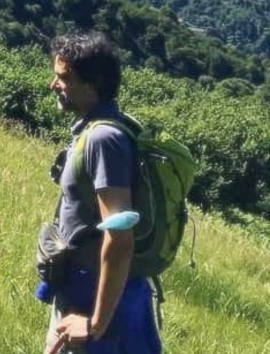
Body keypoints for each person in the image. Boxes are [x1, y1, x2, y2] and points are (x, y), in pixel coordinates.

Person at [41, 32, 161, 354]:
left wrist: (95, 324)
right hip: (85, 287)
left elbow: (120, 237)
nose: (54, 84)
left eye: (64, 77)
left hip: (92, 294)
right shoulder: (99, 129)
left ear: (92, 85)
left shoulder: (103, 140)